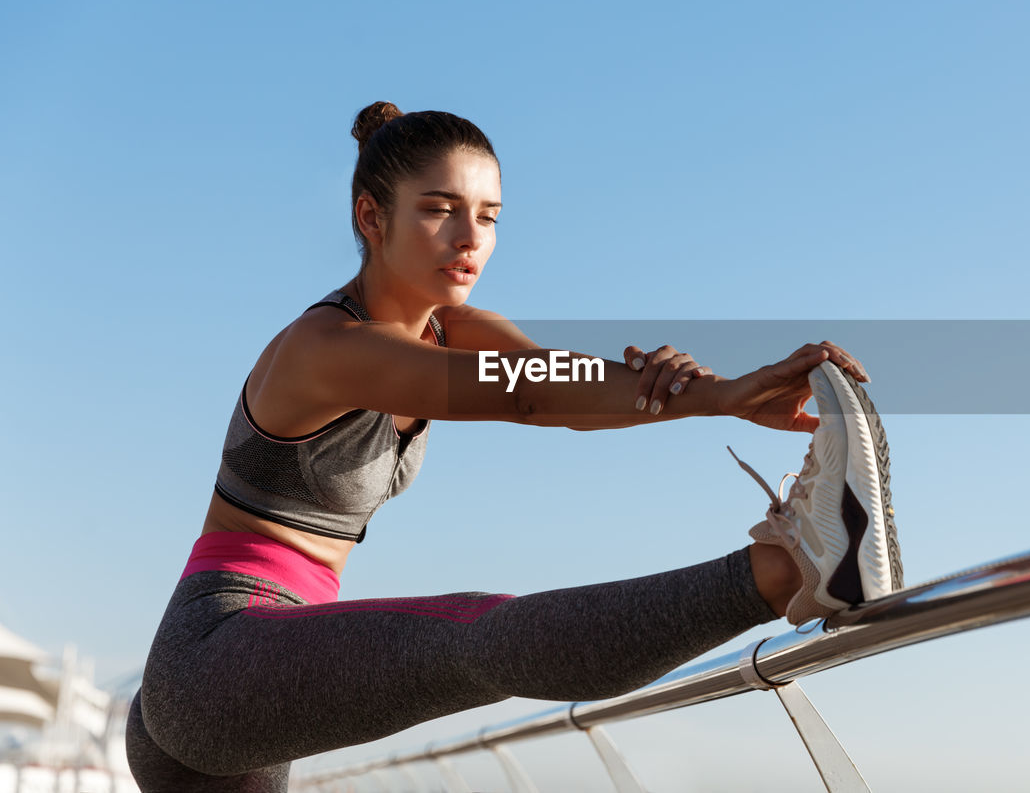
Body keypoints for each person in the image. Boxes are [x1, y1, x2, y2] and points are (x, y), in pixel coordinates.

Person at [124, 102, 903, 792]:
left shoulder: (451, 328)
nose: (470, 238)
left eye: (489, 215)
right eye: (439, 210)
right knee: (474, 634)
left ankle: (805, 558)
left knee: (468, 636)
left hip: (257, 666)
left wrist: (719, 393)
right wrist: (719, 398)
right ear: (371, 215)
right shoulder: (328, 347)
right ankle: (791, 567)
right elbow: (521, 395)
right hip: (217, 654)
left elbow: (554, 387)